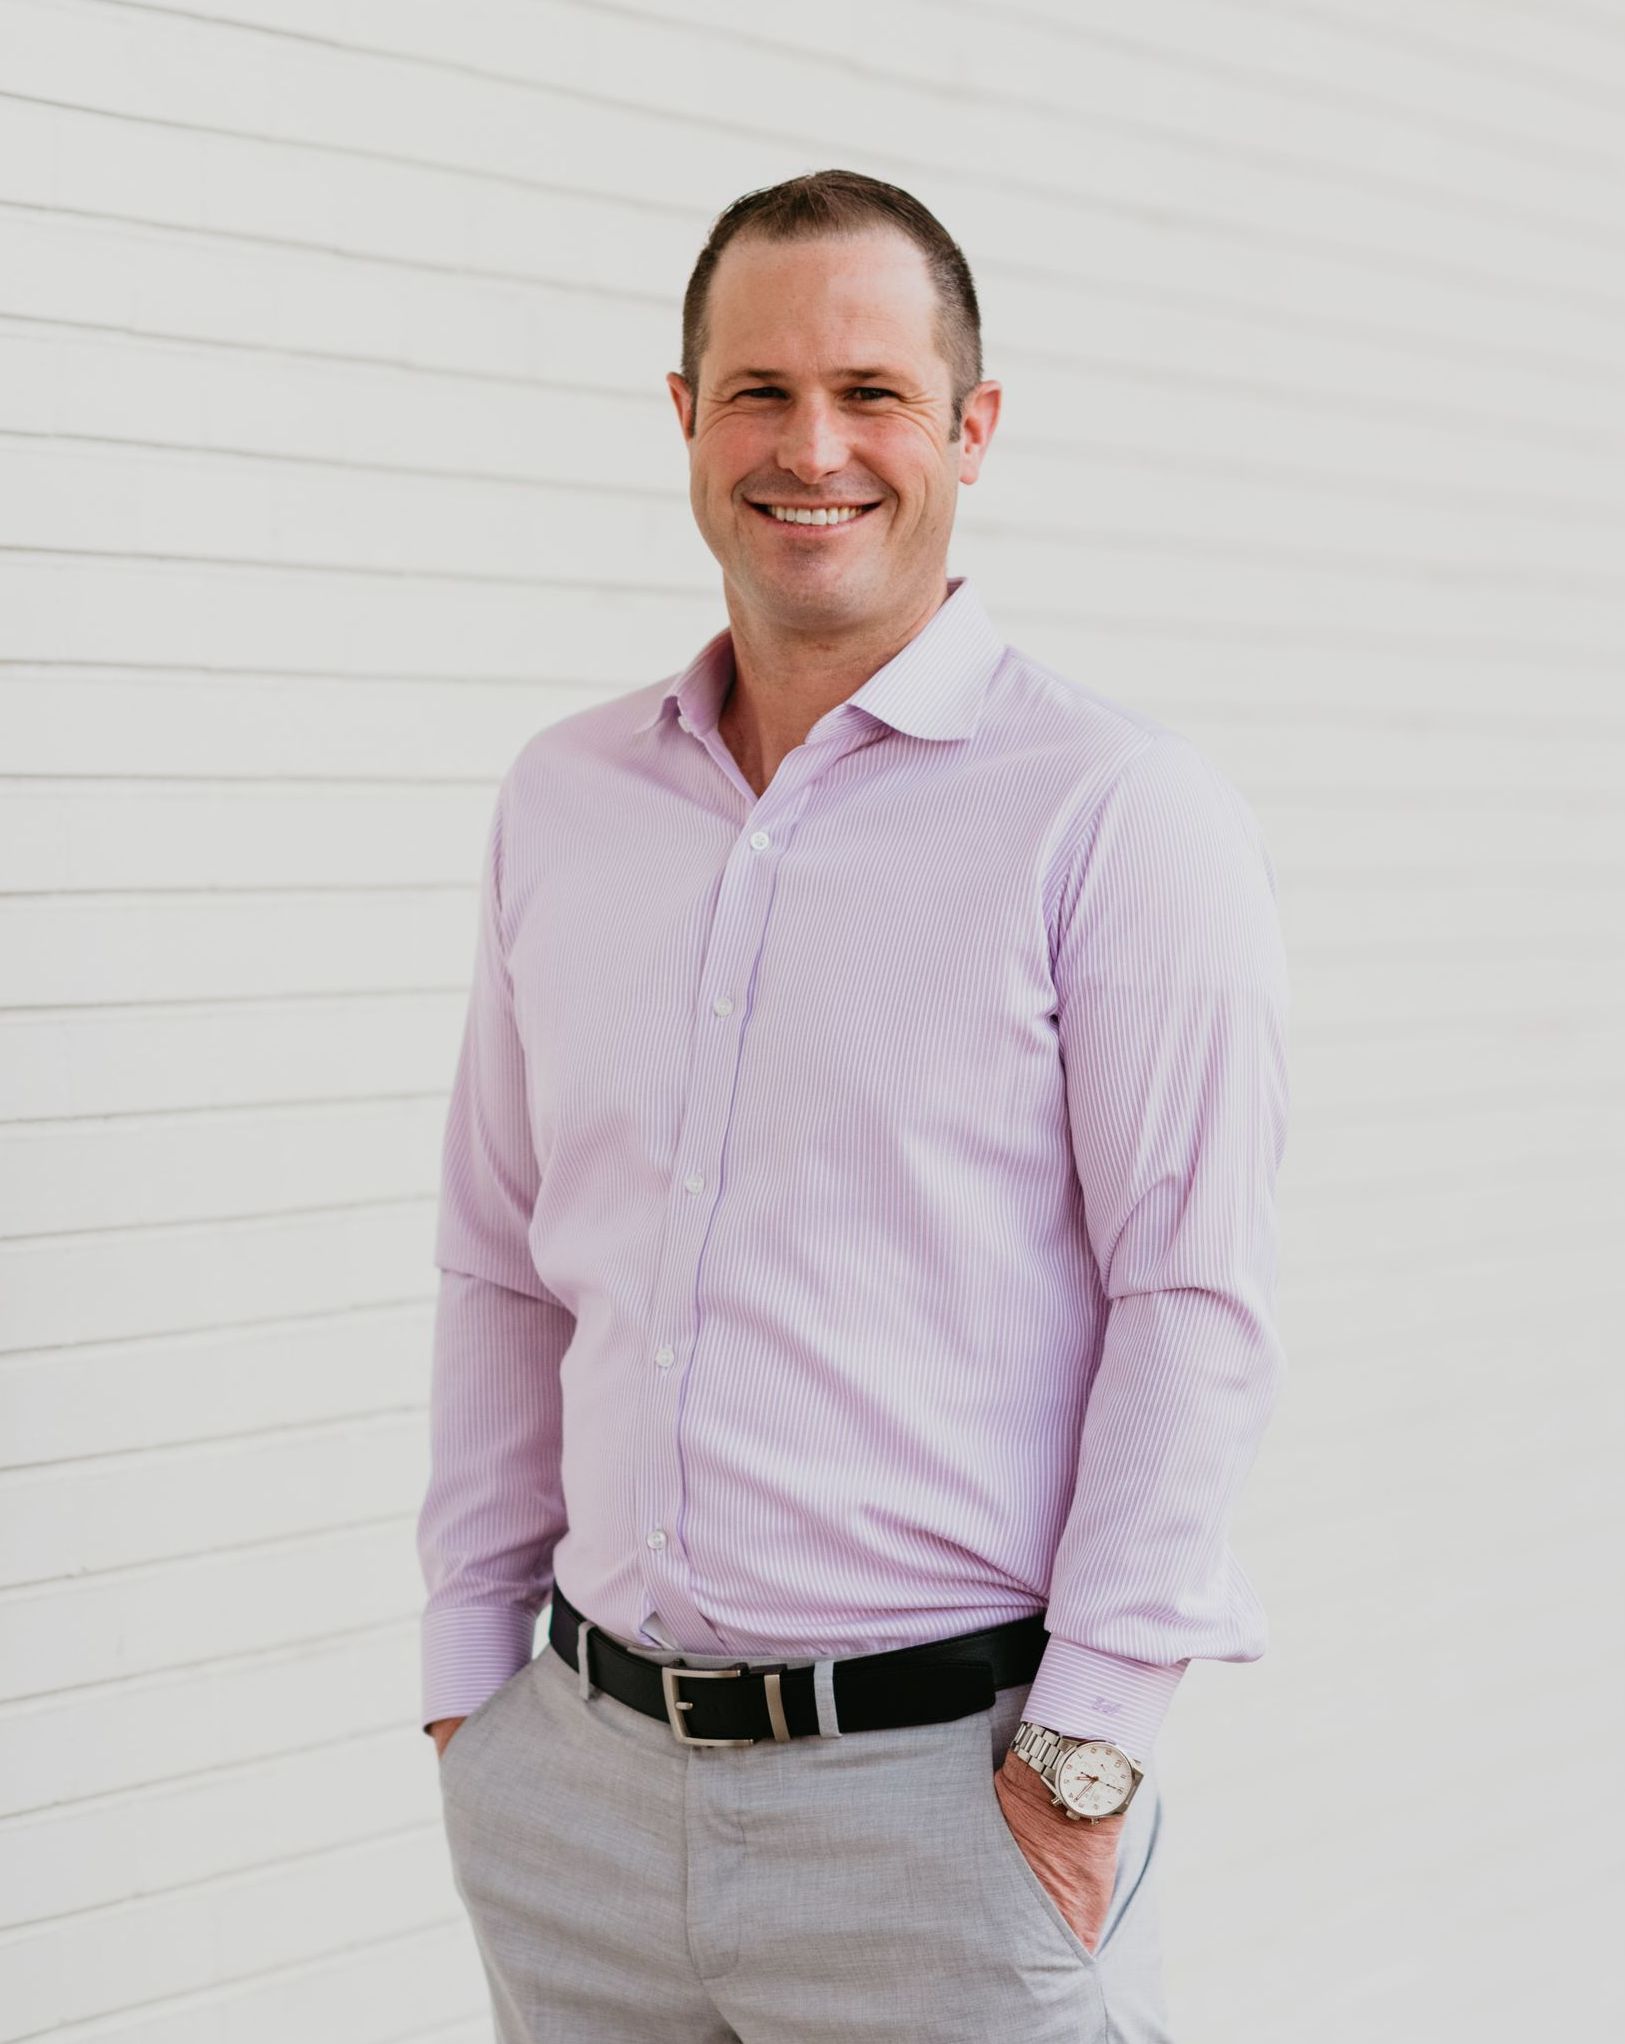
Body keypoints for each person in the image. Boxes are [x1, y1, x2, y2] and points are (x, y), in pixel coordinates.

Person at [416, 168, 1290, 2043]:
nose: (812, 447)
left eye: (873, 393)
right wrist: (465, 1689)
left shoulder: (1117, 814)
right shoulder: (562, 799)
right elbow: (502, 1260)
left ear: (972, 428)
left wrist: (1081, 1766)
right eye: (759, 391)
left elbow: (1192, 1308)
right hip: (574, 1802)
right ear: (684, 419)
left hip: (944, 1819)